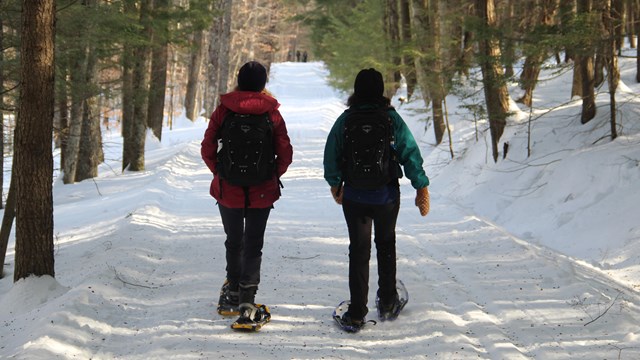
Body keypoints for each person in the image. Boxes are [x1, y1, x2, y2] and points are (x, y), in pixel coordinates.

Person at [323, 68, 430, 327]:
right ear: (381, 90)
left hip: (355, 197)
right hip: (386, 196)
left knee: (358, 251)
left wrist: (336, 185)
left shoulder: (346, 120)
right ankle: (388, 302)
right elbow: (409, 153)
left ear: (356, 90)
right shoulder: (391, 119)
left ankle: (357, 312)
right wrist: (420, 186)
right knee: (386, 244)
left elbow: (331, 156)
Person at [201, 61, 293, 326]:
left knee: (234, 240)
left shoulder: (223, 111)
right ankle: (247, 297)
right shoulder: (271, 113)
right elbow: (285, 152)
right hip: (262, 190)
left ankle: (231, 290)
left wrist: (220, 172)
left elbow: (207, 147)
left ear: (239, 81)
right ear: (263, 84)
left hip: (227, 188)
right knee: (253, 244)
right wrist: (271, 175)